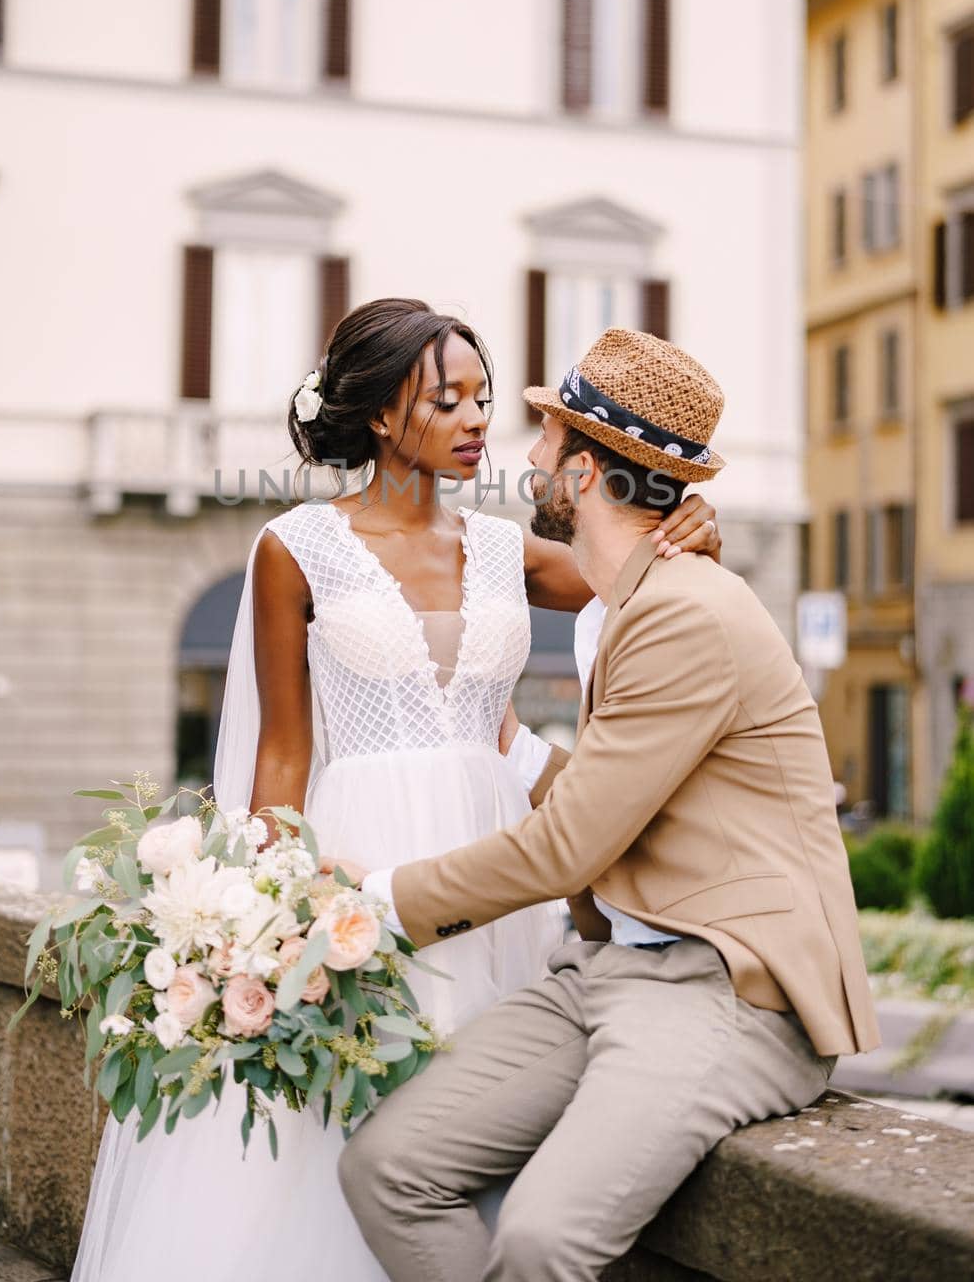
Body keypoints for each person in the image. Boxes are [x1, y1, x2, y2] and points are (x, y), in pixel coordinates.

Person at [69, 300, 721, 1282]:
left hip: (494, 870)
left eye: (481, 399)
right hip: (356, 870)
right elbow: (281, 754)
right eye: (443, 399)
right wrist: (261, 915)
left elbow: (638, 570)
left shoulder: (506, 549)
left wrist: (690, 522)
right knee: (337, 1131)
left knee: (478, 1122)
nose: (473, 421)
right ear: (379, 414)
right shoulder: (295, 547)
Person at [336, 326, 882, 1282]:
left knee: (543, 1239)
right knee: (387, 1168)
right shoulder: (628, 597)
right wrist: (506, 745)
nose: (529, 457)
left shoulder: (683, 612)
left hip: (727, 990)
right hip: (607, 969)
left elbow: (564, 849)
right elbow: (616, 801)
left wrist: (369, 904)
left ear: (585, 475)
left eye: (547, 441)